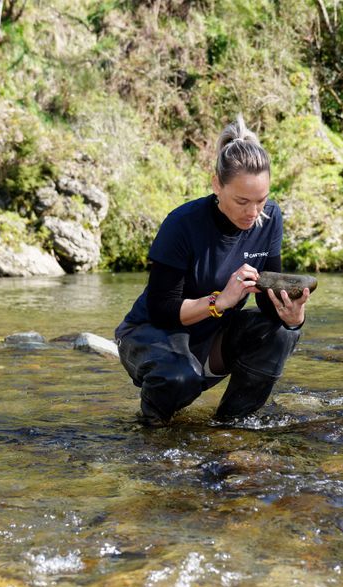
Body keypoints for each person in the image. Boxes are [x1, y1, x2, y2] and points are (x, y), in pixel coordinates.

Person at [114, 115, 310, 426]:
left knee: (281, 334)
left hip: (211, 340)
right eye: (242, 201)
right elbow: (162, 310)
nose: (253, 213)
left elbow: (265, 299)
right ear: (217, 185)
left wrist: (292, 316)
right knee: (180, 378)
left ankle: (231, 428)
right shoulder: (182, 224)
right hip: (150, 334)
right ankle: (152, 428)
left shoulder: (269, 218)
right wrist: (220, 300)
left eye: (261, 200)